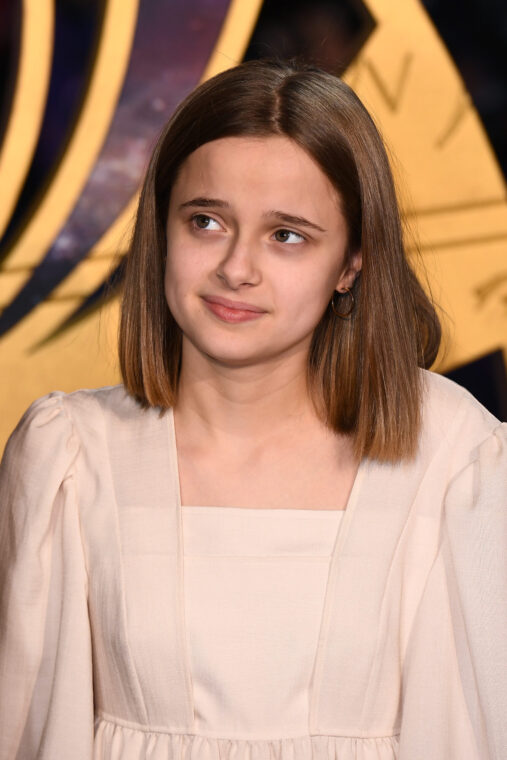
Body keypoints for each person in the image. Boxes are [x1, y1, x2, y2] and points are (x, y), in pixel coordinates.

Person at [0, 58, 505, 760]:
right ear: (160, 228)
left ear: (351, 262)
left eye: (286, 235)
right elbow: (26, 726)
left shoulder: (455, 458)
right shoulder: (69, 456)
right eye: (206, 221)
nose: (237, 268)